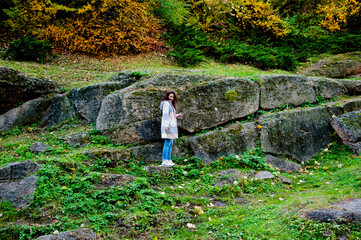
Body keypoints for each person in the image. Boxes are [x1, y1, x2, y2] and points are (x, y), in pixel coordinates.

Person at [160, 90, 182, 167]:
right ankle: (165, 160)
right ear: (167, 96)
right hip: (167, 126)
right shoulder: (166, 104)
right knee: (167, 143)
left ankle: (168, 159)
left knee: (170, 143)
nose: (172, 98)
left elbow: (170, 115)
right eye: (170, 96)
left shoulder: (170, 104)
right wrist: (166, 125)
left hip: (171, 126)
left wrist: (177, 115)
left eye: (173, 97)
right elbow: (165, 115)